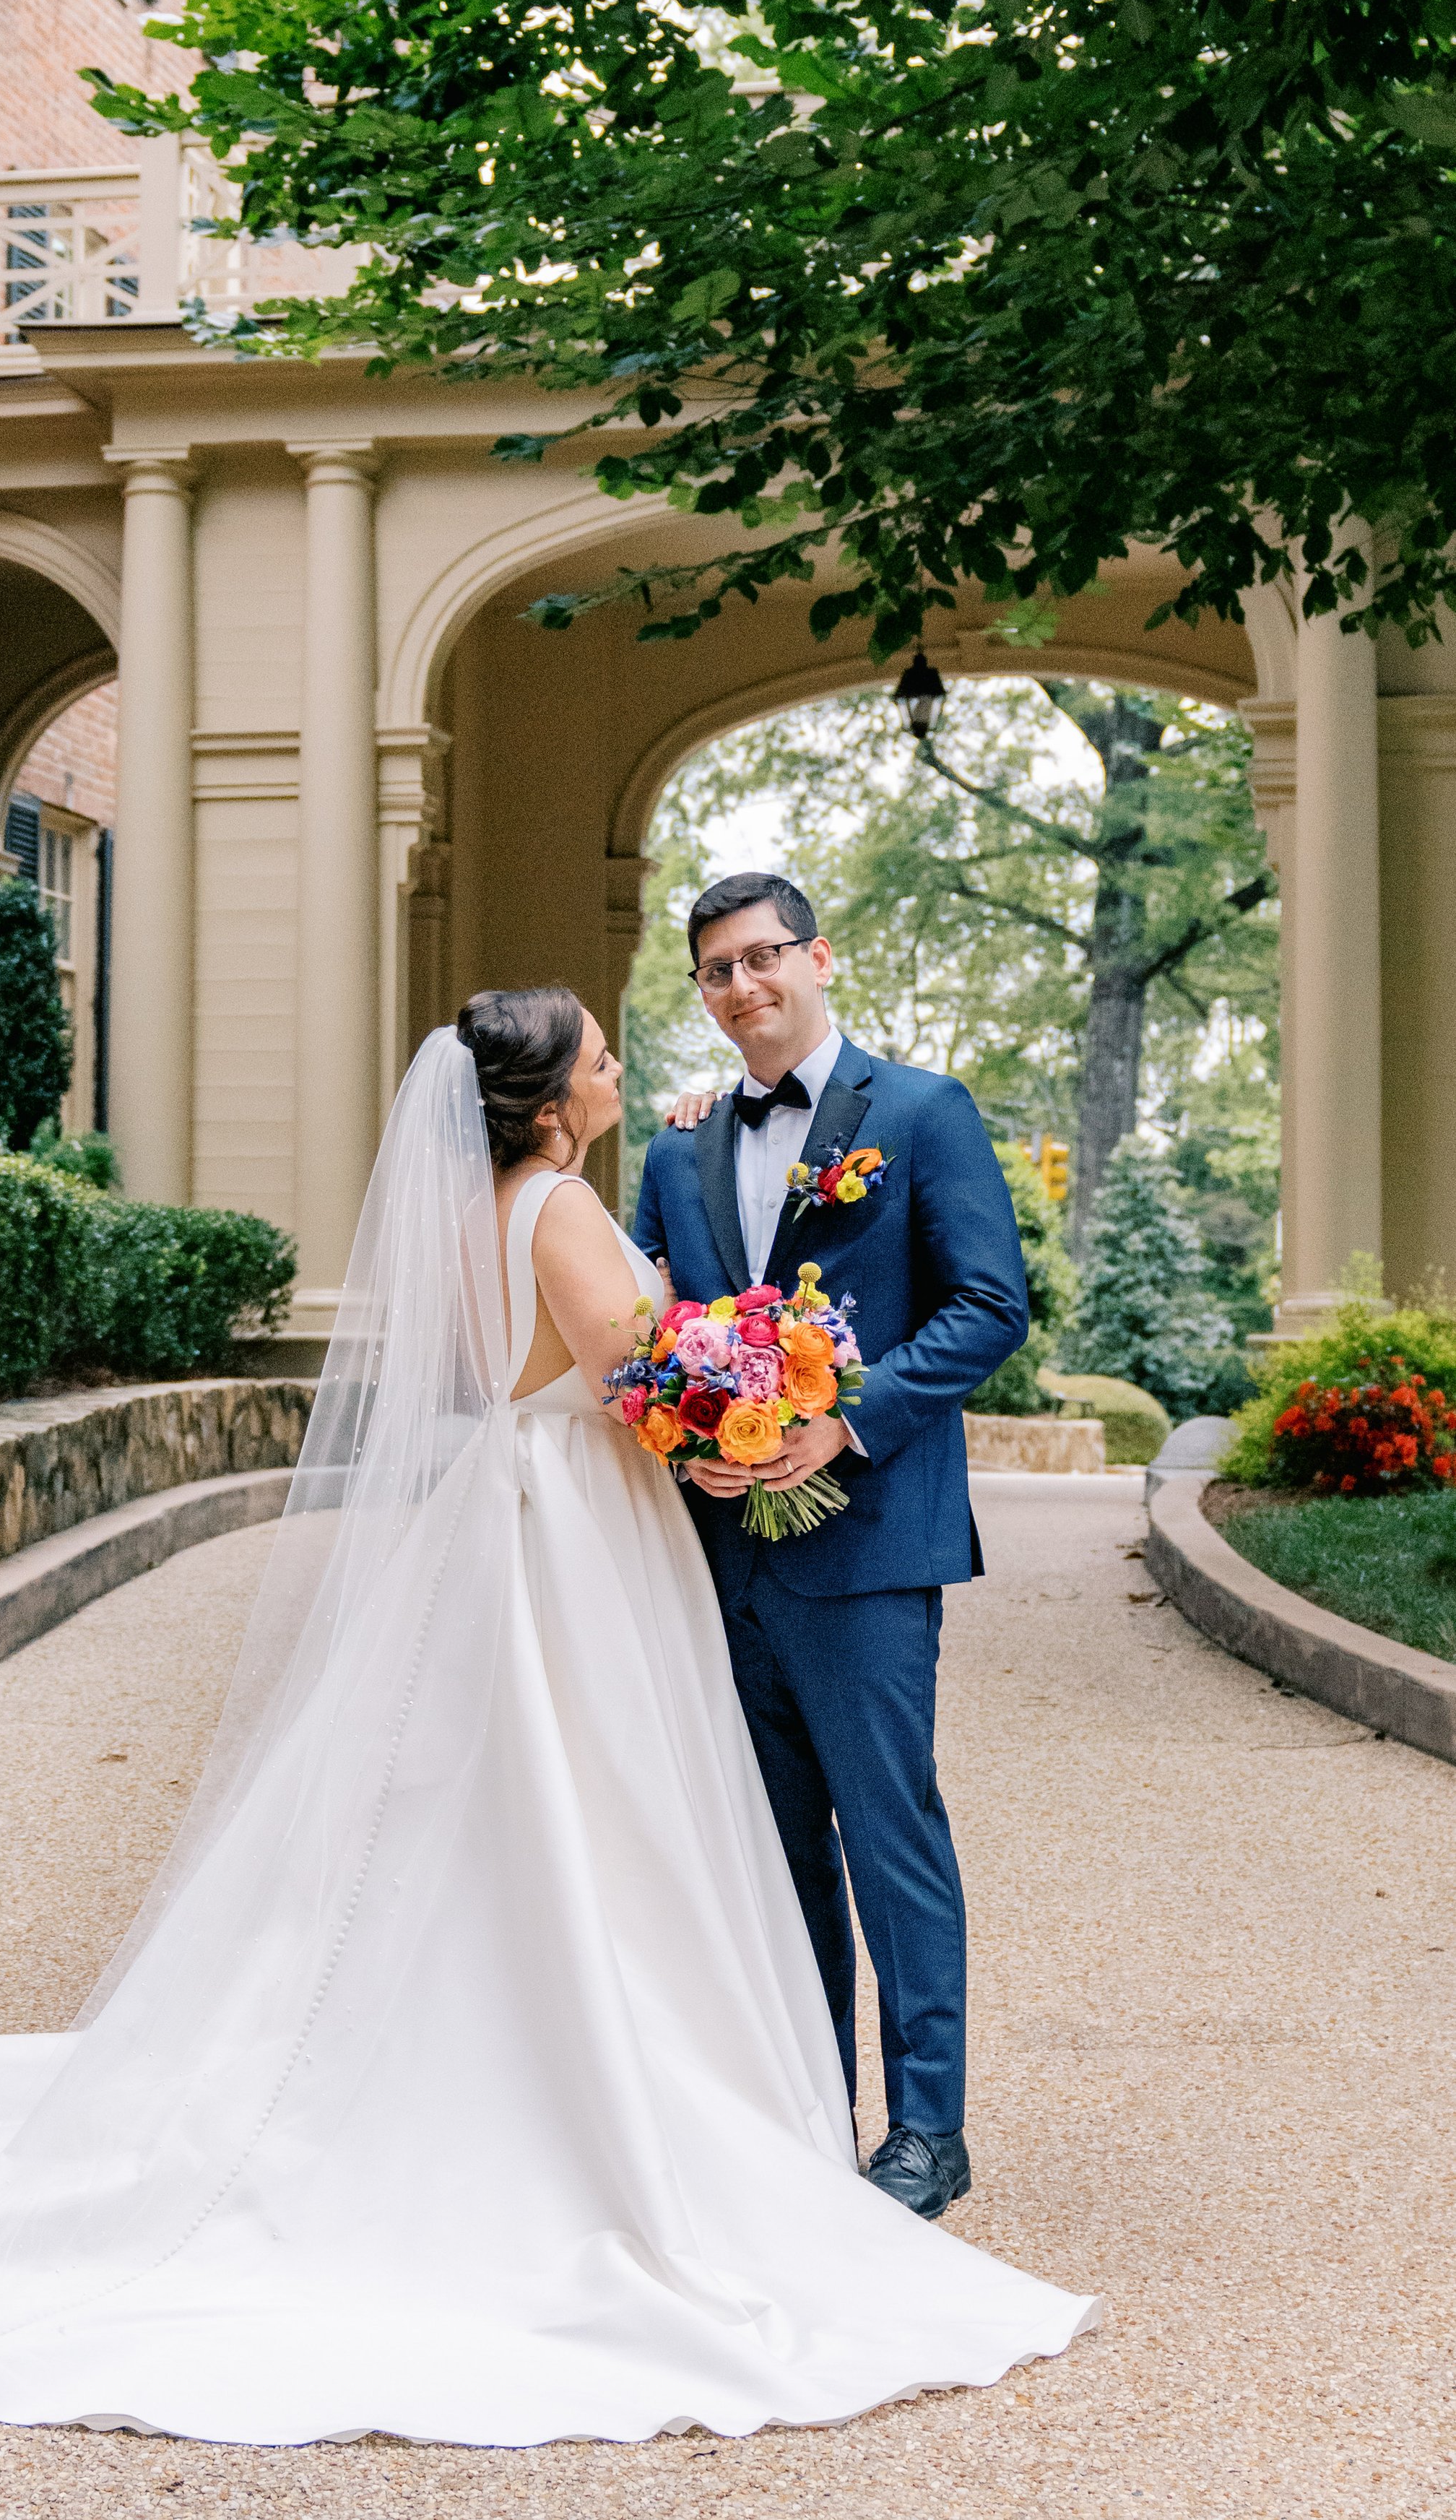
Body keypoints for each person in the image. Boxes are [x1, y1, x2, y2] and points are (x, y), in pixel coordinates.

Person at [0, 992, 1093, 2444]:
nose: (621, 1065)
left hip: (494, 1515)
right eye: (597, 1053)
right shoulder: (565, 1212)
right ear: (546, 1103)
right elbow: (644, 1388)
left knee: (471, 1810)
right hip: (574, 1536)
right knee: (588, 1803)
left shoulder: (471, 1210)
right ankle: (596, 2096)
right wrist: (744, 1408)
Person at [636, 873, 1028, 2222]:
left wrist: (841, 1424)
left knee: (889, 1831)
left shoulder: (920, 1115)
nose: (742, 988)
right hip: (721, 1552)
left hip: (866, 1543)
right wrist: (678, 1430)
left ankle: (928, 2132)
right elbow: (652, 1332)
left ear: (816, 958)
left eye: (762, 960)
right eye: (715, 972)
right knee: (774, 1846)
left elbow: (988, 1305)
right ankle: (809, 2109)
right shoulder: (676, 1150)